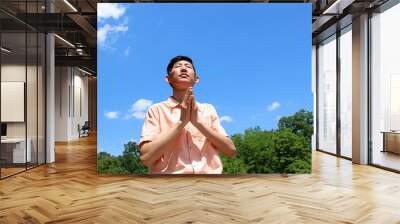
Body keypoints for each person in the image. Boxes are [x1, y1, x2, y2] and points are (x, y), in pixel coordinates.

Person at [139, 55, 236, 174]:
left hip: (209, 185)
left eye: (188, 66)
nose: (183, 69)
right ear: (167, 79)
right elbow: (146, 158)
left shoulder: (208, 109)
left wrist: (198, 123)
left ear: (196, 79)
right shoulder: (156, 110)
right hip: (168, 186)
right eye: (178, 66)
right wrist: (181, 124)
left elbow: (230, 150)